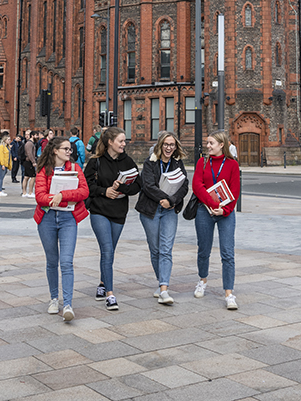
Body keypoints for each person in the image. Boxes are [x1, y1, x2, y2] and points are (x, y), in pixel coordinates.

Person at [83, 126, 140, 310]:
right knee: (107, 250)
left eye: (124, 141)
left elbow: (138, 185)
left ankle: (102, 283)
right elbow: (86, 186)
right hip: (99, 210)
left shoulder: (128, 162)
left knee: (110, 251)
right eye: (121, 141)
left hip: (119, 212)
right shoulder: (96, 162)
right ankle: (110, 294)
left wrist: (121, 187)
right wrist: (104, 191)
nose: (124, 144)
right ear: (110, 142)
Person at [33, 136, 89, 322]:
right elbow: (40, 196)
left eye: (70, 149)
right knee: (52, 261)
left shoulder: (75, 168)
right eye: (65, 149)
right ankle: (54, 299)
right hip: (47, 219)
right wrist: (52, 199)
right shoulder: (43, 170)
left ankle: (68, 304)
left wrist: (61, 195)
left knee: (66, 262)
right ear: (55, 150)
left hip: (68, 219)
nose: (69, 152)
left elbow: (84, 192)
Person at [135, 131, 189, 305]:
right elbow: (148, 186)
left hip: (169, 211)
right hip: (150, 211)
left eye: (172, 145)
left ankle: (164, 289)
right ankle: (161, 282)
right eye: (166, 144)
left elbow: (184, 185)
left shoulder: (177, 163)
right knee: (155, 249)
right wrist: (163, 199)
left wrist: (171, 201)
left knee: (166, 249)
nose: (168, 148)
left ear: (175, 147)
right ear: (160, 145)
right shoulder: (150, 162)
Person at [193, 130, 241, 310]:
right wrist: (212, 204)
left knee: (227, 253)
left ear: (222, 145)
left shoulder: (232, 165)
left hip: (225, 213)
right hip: (205, 211)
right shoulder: (202, 162)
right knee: (203, 249)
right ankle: (202, 280)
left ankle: (229, 293)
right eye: (207, 143)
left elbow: (235, 190)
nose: (208, 146)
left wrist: (225, 209)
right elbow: (197, 185)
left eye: (211, 143)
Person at [22, 130, 38, 198]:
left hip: (28, 162)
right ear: (32, 136)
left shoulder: (31, 143)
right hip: (29, 162)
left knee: (26, 177)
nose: (37, 137)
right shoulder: (29, 143)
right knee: (32, 177)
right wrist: (33, 162)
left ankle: (25, 192)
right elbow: (29, 154)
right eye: (36, 135)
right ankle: (30, 192)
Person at [0, 131, 11, 195]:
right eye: (8, 139)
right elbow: (1, 156)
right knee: (0, 178)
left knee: (1, 177)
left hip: (6, 164)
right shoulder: (1, 147)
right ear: (4, 140)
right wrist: (3, 165)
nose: (9, 141)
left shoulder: (7, 146)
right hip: (2, 164)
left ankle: (0, 189)